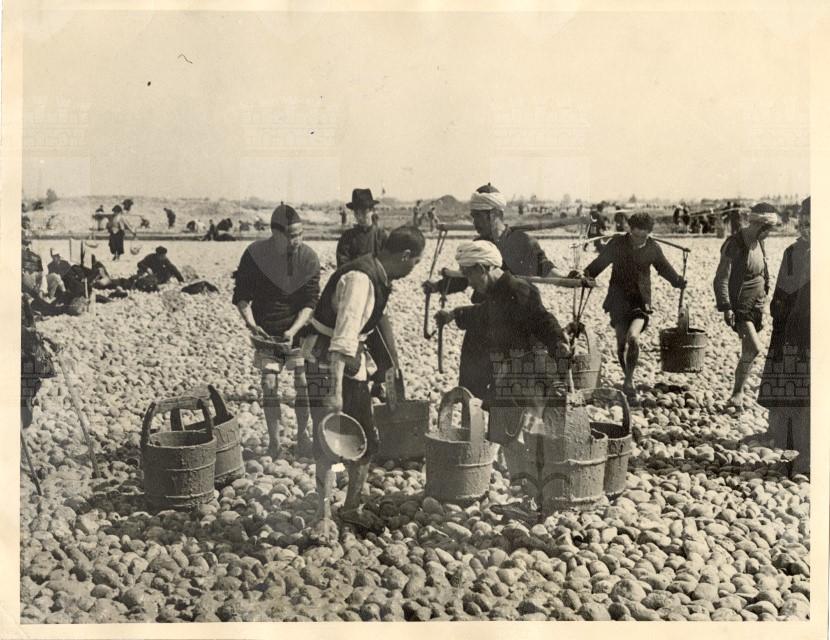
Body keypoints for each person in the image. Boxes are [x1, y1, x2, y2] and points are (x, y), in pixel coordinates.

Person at [302, 226, 424, 538]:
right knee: (327, 439)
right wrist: (334, 392)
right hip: (326, 363)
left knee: (364, 438)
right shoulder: (360, 279)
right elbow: (343, 338)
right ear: (405, 256)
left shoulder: (378, 274)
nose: (413, 269)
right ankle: (322, 514)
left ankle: (351, 507)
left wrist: (386, 369)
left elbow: (374, 328)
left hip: (348, 363)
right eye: (415, 262)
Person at [423, 183, 569, 400]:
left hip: (514, 317)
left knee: (510, 383)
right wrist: (438, 286)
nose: (474, 222)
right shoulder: (479, 244)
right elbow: (466, 279)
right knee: (473, 381)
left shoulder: (521, 242)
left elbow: (545, 269)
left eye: (477, 216)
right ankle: (473, 412)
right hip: (483, 317)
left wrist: (567, 280)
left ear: (494, 214)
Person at [434, 240, 572, 410]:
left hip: (524, 379)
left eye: (469, 275)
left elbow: (542, 320)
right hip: (506, 375)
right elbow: (483, 312)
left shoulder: (518, 290)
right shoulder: (497, 291)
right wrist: (454, 314)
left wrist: (559, 342)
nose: (469, 283)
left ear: (481, 269)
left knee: (515, 421)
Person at [233, 205, 320, 458]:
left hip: (299, 330)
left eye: (300, 234)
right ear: (275, 233)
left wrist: (294, 329)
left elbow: (310, 301)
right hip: (266, 330)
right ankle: (274, 441)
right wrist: (251, 324)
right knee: (269, 384)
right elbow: (241, 295)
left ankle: (302, 435)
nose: (297, 240)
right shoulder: (255, 254)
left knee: (303, 382)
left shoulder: (308, 257)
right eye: (291, 236)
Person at [582, 212, 686, 400]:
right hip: (618, 300)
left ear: (649, 233)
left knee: (633, 337)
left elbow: (664, 268)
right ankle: (627, 374)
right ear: (630, 230)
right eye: (636, 235)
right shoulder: (617, 244)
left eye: (643, 236)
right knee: (621, 344)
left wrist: (677, 281)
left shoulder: (652, 248)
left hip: (640, 301)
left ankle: (629, 380)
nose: (639, 240)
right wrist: (585, 275)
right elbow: (599, 264)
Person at [755, 197, 809, 477]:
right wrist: (779, 318)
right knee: (796, 392)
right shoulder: (794, 252)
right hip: (793, 330)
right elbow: (782, 293)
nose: (806, 227)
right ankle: (798, 448)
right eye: (804, 221)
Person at [713, 202, 779, 408]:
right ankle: (737, 393)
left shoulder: (759, 242)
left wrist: (766, 296)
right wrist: (726, 307)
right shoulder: (734, 244)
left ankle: (737, 395)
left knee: (748, 351)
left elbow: (762, 270)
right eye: (768, 230)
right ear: (759, 225)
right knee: (755, 348)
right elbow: (721, 278)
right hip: (740, 306)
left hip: (756, 305)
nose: (769, 234)